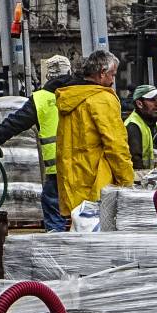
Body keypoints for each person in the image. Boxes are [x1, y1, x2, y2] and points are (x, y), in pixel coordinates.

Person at [0, 55, 75, 231]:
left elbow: (11, 125)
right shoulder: (84, 93)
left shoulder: (41, 99)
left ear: (47, 77)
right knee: (87, 218)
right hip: (86, 168)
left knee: (54, 215)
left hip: (58, 172)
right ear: (70, 72)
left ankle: (57, 253)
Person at [55, 50, 132, 214]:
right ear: (102, 73)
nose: (113, 80)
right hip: (99, 185)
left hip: (72, 183)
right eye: (113, 74)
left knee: (80, 230)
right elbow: (116, 146)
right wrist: (127, 183)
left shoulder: (69, 98)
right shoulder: (102, 99)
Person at [124, 84, 157, 176]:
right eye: (152, 100)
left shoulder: (152, 123)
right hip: (141, 183)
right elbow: (136, 162)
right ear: (139, 103)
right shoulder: (133, 126)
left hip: (154, 180)